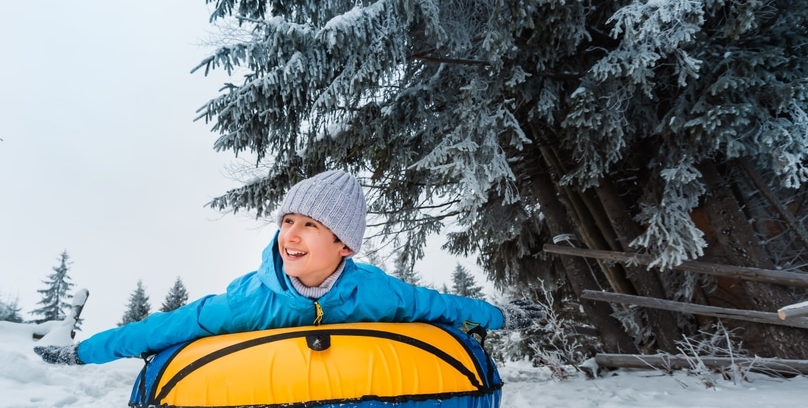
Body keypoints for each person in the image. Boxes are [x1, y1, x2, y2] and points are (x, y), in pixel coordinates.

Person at [35, 170, 545, 365]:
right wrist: (82, 352)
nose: (290, 235)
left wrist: (501, 317)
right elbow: (165, 326)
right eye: (287, 221)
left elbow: (442, 306)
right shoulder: (250, 301)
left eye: (310, 226)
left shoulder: (378, 293)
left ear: (344, 246)